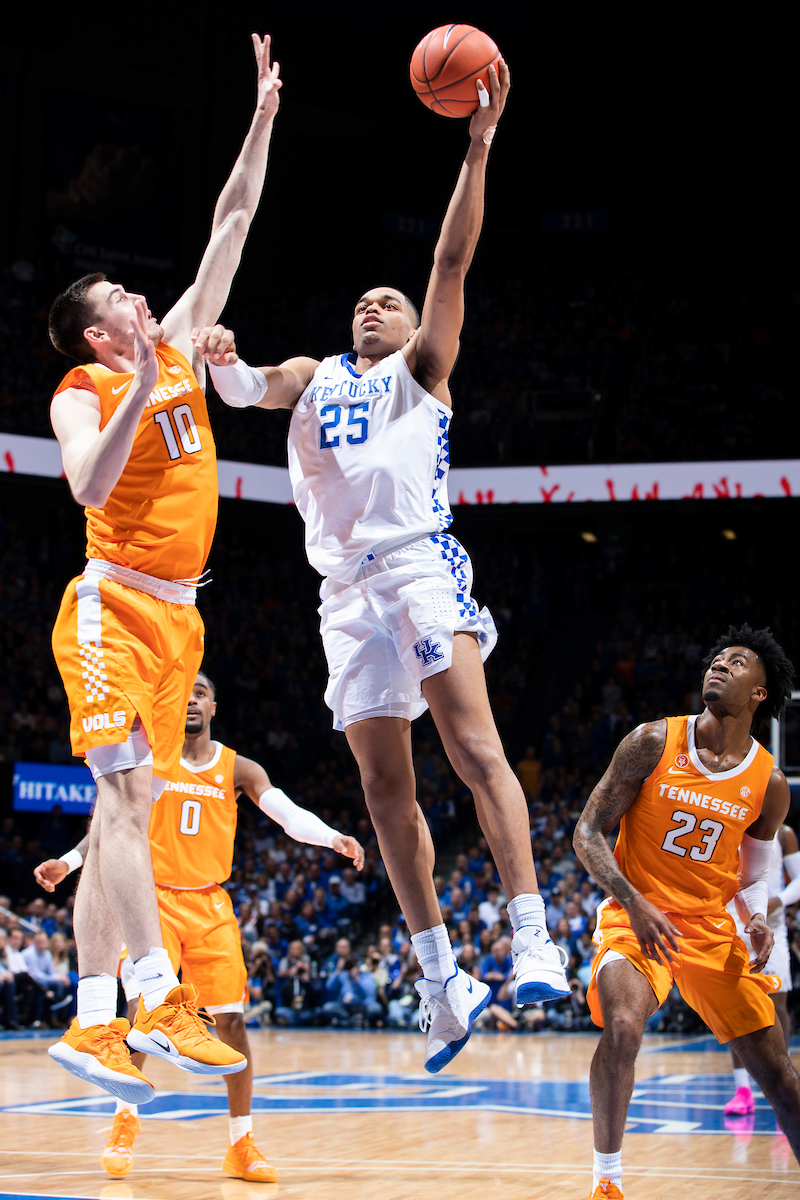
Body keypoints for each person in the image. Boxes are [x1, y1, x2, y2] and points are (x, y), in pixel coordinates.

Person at [198, 56, 569, 1076]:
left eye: (389, 300)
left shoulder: (420, 377)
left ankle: (532, 932)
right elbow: (244, 391)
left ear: (413, 331)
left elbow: (449, 263)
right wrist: (223, 360)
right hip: (342, 596)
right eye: (365, 297)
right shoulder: (314, 377)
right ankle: (440, 979)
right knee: (381, 785)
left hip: (415, 566)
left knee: (470, 746)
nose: (376, 300)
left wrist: (478, 146)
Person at [44, 35, 282, 1102]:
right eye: (129, 303)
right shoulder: (86, 391)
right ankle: (152, 993)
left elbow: (231, 220)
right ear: (99, 335)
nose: (150, 301)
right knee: (130, 800)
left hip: (181, 618)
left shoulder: (179, 342)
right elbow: (90, 488)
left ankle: (93, 1023)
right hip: (111, 608)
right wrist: (139, 381)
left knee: (111, 819)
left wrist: (263, 115)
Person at [35, 669, 363, 1182]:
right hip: (152, 902)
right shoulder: (149, 762)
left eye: (202, 693)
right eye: (185, 693)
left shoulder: (238, 769)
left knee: (231, 1024)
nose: (191, 700)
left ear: (214, 707)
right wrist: (69, 862)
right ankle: (124, 1122)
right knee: (146, 1014)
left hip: (210, 904)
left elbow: (286, 813)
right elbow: (111, 834)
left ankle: (241, 1143)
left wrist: (329, 837)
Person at [573, 625, 800, 1198]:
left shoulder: (768, 783)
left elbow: (753, 873)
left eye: (738, 661)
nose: (720, 664)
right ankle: (607, 1182)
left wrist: (753, 918)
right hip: (635, 916)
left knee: (780, 1077)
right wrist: (634, 901)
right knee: (624, 1025)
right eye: (717, 658)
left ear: (760, 693)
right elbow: (588, 833)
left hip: (709, 928)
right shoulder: (652, 741)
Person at [724, 821, 800, 1114]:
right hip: (732, 925)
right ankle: (742, 1089)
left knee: (777, 1008)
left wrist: (776, 901)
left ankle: (786, 1081)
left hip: (771, 925)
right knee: (734, 1010)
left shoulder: (784, 833)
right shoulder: (730, 819)